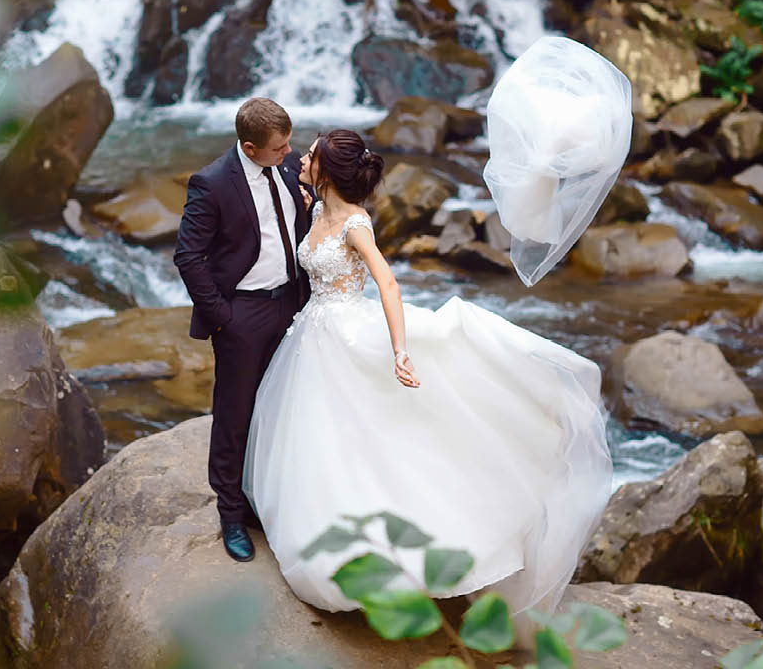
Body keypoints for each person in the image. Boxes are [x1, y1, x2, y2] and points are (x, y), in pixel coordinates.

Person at [242, 129, 612, 614]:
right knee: (321, 437)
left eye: (309, 156)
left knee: (372, 436)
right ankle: (316, 525)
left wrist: (399, 352)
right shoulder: (315, 206)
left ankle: (395, 551)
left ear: (328, 173)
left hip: (350, 330)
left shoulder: (355, 224)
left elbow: (389, 284)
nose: (301, 160)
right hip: (312, 335)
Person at [173, 97, 312, 563]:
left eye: (290, 144)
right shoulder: (212, 184)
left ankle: (261, 499)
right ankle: (231, 512)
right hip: (243, 314)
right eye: (279, 148)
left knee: (278, 407)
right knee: (235, 414)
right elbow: (188, 257)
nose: (290, 153)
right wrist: (222, 317)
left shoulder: (289, 166)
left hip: (292, 303)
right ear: (250, 147)